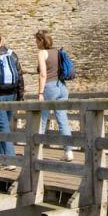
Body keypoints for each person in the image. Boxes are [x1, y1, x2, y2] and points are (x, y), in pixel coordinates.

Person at [34, 29, 74, 161]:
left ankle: (36, 151)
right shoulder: (58, 52)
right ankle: (68, 152)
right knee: (63, 120)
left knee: (42, 119)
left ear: (41, 41)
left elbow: (43, 74)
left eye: (36, 40)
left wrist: (40, 93)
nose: (36, 43)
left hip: (50, 87)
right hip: (62, 87)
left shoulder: (42, 53)